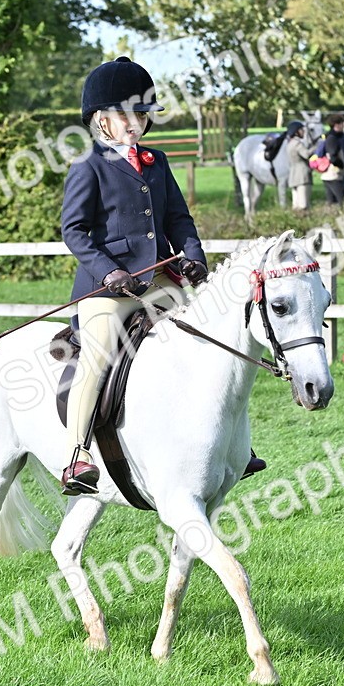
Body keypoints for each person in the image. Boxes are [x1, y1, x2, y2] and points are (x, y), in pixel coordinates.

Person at [58, 56, 219, 495]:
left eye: (141, 115)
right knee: (96, 359)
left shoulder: (157, 161)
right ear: (101, 120)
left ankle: (226, 445)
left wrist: (193, 256)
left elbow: (179, 220)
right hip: (108, 290)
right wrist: (109, 272)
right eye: (126, 115)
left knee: (213, 335)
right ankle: (77, 455)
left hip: (161, 280)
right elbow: (73, 230)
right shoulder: (88, 164)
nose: (136, 123)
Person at [312, 113, 344, 205]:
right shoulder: (333, 138)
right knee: (341, 201)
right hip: (333, 174)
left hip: (327, 174)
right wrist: (342, 165)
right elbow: (332, 156)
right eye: (342, 123)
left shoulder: (328, 136)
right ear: (337, 125)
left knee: (331, 202)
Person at [285, 120, 312, 211]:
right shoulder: (297, 143)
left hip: (293, 176)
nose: (303, 131)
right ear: (296, 132)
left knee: (296, 204)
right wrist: (317, 146)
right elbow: (306, 154)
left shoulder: (289, 143)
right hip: (302, 176)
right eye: (301, 129)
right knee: (303, 204)